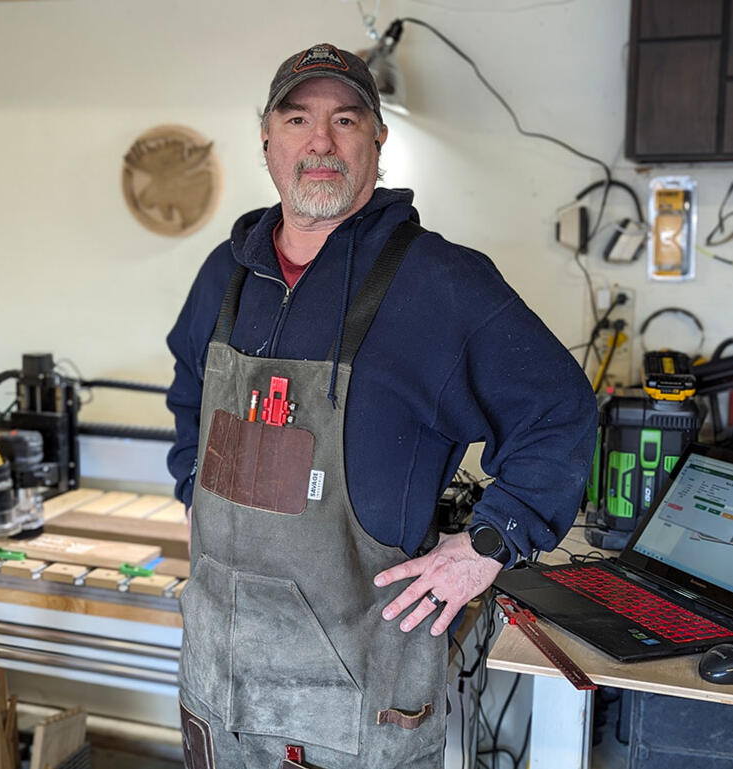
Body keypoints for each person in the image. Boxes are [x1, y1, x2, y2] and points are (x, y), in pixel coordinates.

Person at [167, 42, 596, 769]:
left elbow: (558, 410)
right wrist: (191, 490)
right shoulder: (227, 274)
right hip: (217, 683)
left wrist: (488, 544)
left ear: (376, 140)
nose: (320, 142)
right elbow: (187, 392)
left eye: (346, 119)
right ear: (267, 138)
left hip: (357, 699)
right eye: (297, 118)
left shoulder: (439, 285)